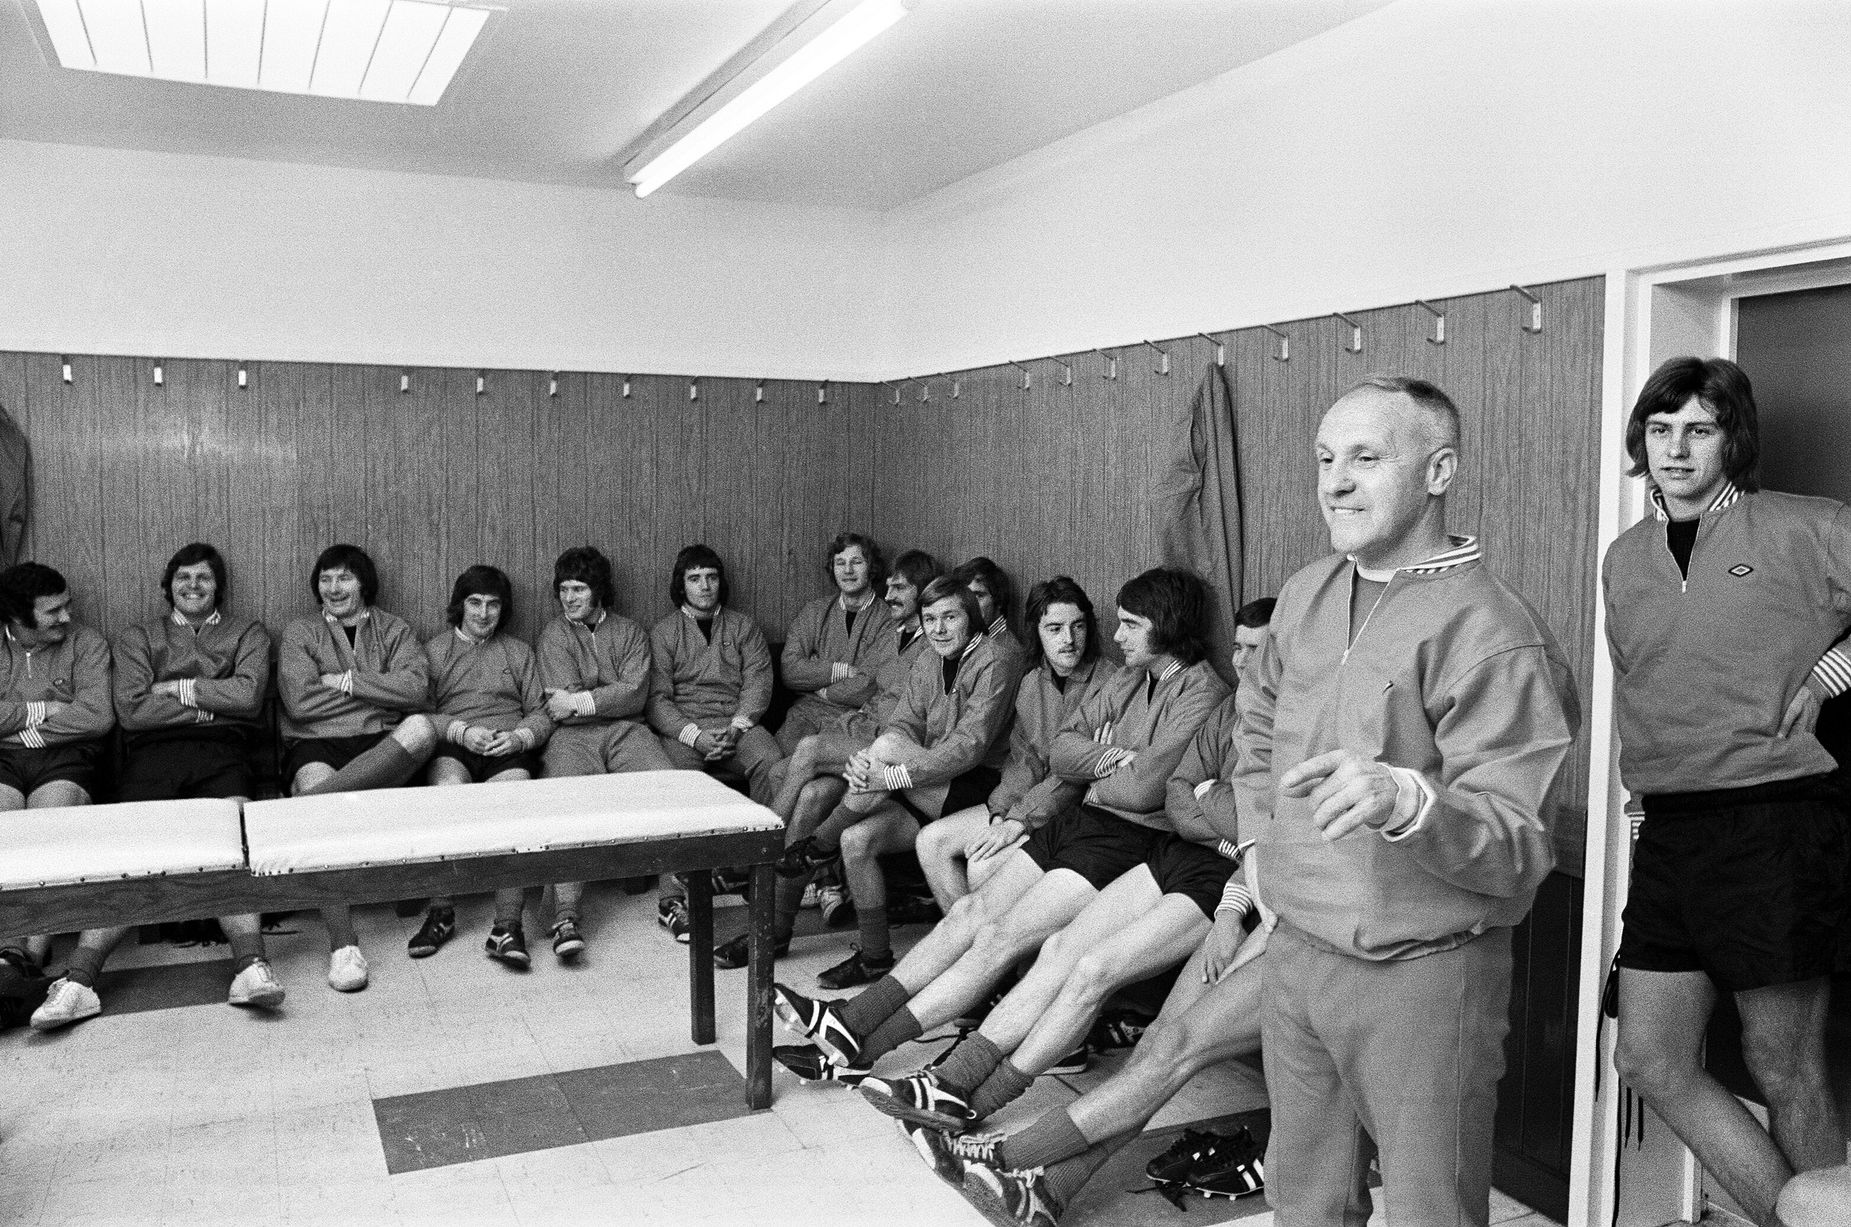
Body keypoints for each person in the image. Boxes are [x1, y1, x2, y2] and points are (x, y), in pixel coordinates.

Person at [1230, 375, 1576, 1227]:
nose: (1334, 481)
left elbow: (1518, 838)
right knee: (1304, 1198)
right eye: (1323, 459)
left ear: (1437, 470)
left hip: (1421, 973)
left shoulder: (1493, 629)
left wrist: (1407, 800)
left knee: (1429, 1210)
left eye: (1365, 457)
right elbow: (1257, 728)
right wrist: (1255, 857)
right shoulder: (1307, 592)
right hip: (1296, 949)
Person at [772, 568, 1227, 1082]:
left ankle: (859, 1038)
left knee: (998, 938)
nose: (1115, 636)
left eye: (1129, 624)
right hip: (1082, 818)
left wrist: (1096, 765)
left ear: (1164, 625)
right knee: (970, 913)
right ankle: (852, 1027)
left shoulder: (1200, 691)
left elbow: (1144, 790)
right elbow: (1061, 751)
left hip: (1129, 838)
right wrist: (1114, 759)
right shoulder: (1129, 674)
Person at [908, 598, 1283, 1223]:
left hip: (1292, 921)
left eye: (1260, 650)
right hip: (1243, 898)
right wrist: (1222, 842)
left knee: (1169, 1052)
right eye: (1238, 647)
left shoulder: (1299, 723)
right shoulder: (1240, 716)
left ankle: (1009, 1158)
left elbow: (1257, 831)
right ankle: (1044, 1189)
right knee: (1161, 1046)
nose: (1244, 662)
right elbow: (1181, 800)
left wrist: (1220, 816)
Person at [1606, 357, 1851, 1227]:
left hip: (1774, 819)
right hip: (1671, 831)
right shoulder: (1624, 557)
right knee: (1648, 1056)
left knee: (1785, 1064)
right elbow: (1645, 686)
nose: (1674, 447)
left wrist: (1835, 665)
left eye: (1696, 428)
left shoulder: (1800, 526)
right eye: (1660, 428)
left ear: (1730, 439)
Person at [775, 574, 1015, 989]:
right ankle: (874, 957)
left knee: (884, 747)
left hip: (976, 786)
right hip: (928, 783)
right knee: (857, 841)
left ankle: (818, 845)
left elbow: (968, 748)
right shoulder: (929, 658)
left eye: (950, 617)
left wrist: (891, 772)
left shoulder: (994, 658)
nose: (938, 629)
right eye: (930, 619)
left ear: (971, 619)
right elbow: (905, 720)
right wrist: (876, 770)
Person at [715, 549, 941, 969]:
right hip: (862, 732)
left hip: (895, 757)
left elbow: (921, 720)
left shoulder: (935, 646)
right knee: (812, 798)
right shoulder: (894, 635)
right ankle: (773, 933)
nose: (888, 594)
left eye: (899, 587)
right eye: (888, 585)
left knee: (809, 749)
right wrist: (842, 695)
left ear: (925, 593)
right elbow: (864, 685)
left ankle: (755, 854)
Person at [278, 544, 438, 993]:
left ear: (363, 582)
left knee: (422, 727)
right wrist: (377, 691)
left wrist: (344, 681)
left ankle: (301, 812)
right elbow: (300, 701)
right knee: (319, 796)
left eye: (344, 578)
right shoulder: (300, 632)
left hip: (380, 742)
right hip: (315, 744)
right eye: (326, 579)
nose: (333, 588)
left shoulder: (394, 628)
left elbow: (415, 689)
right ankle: (343, 944)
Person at [914, 577, 1118, 909]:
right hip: (1025, 805)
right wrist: (1000, 812)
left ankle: (986, 949)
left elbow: (1075, 778)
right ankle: (966, 944)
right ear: (1036, 630)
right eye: (1054, 629)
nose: (1069, 639)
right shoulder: (1032, 682)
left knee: (983, 866)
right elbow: (1023, 762)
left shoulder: (1111, 683)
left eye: (1077, 626)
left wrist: (1016, 821)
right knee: (931, 841)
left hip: (1070, 812)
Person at [408, 565, 555, 967]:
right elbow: (419, 715)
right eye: (475, 603)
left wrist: (520, 737)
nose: (484, 613)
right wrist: (459, 731)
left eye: (493, 604)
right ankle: (441, 912)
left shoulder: (518, 652)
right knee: (445, 796)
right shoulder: (433, 651)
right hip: (455, 745)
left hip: (507, 746)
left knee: (512, 802)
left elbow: (541, 714)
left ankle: (507, 925)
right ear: (461, 605)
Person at [527, 547, 676, 942]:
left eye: (579, 589)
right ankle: (565, 914)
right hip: (571, 739)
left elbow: (633, 694)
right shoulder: (553, 635)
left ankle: (674, 899)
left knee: (670, 787)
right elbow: (558, 708)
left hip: (628, 730)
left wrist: (579, 702)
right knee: (565, 802)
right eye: (563, 589)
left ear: (598, 591)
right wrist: (589, 702)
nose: (569, 598)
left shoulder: (629, 631)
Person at [647, 544, 783, 938]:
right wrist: (696, 736)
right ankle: (672, 899)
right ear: (681, 585)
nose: (705, 586)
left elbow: (759, 681)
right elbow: (657, 699)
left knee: (771, 761)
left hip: (735, 724)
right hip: (685, 730)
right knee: (674, 783)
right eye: (694, 579)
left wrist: (738, 728)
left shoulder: (743, 626)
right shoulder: (665, 631)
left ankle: (751, 870)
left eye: (711, 577)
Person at [0, 563, 115, 1020]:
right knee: (5, 832)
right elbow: (73, 710)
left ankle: (29, 952)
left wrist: (22, 727)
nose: (66, 617)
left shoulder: (85, 643)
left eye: (66, 605)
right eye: (53, 612)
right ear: (16, 617)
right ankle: (10, 950)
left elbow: (96, 715)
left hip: (67, 756)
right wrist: (44, 710)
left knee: (47, 829)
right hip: (6, 760)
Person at [776, 533, 894, 753]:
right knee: (778, 765)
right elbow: (790, 670)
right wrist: (841, 670)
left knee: (815, 773)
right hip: (806, 712)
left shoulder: (887, 618)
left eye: (856, 562)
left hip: (856, 718)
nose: (848, 570)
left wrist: (820, 687)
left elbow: (868, 685)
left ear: (872, 568)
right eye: (840, 563)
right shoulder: (815, 612)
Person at [952, 556, 1025, 675]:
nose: (969, 604)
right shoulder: (973, 641)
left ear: (999, 600)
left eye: (978, 596)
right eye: (965, 596)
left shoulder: (1003, 653)